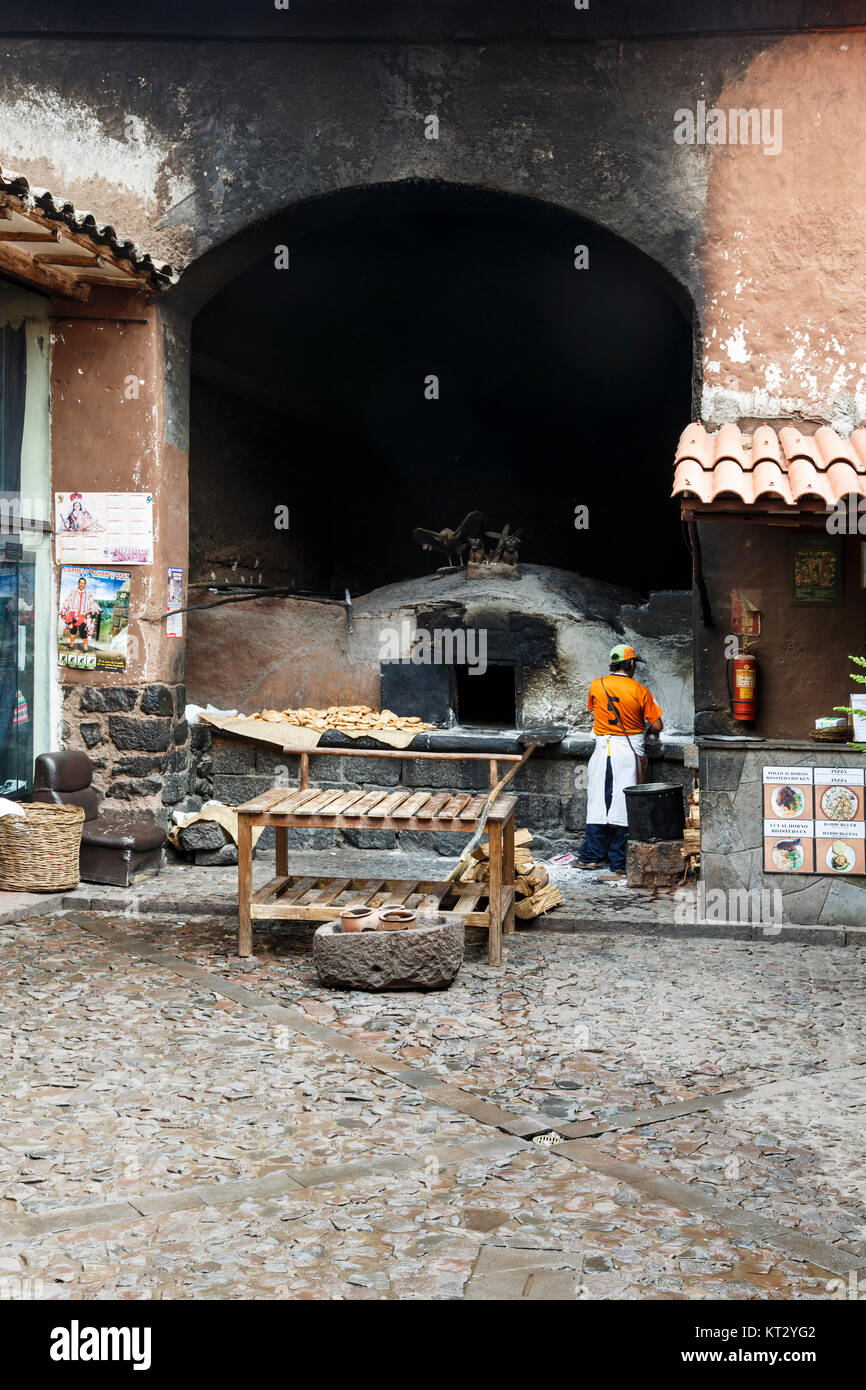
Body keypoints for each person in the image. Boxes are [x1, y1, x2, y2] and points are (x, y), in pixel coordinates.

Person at [576, 643, 663, 880]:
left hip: (602, 752)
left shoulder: (597, 685)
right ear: (631, 664)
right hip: (627, 753)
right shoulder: (640, 691)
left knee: (598, 803)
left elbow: (596, 709)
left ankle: (590, 857)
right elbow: (657, 725)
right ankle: (618, 862)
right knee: (624, 805)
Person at [60, 574, 101, 654]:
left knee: (83, 631)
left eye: (83, 583)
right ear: (78, 583)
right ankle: (71, 645)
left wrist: (96, 610)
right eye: (80, 583)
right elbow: (68, 601)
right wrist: (64, 610)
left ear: (85, 584)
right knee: (73, 630)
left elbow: (92, 603)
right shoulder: (73, 592)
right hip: (73, 614)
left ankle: (85, 647)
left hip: (83, 615)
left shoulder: (88, 594)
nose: (82, 584)